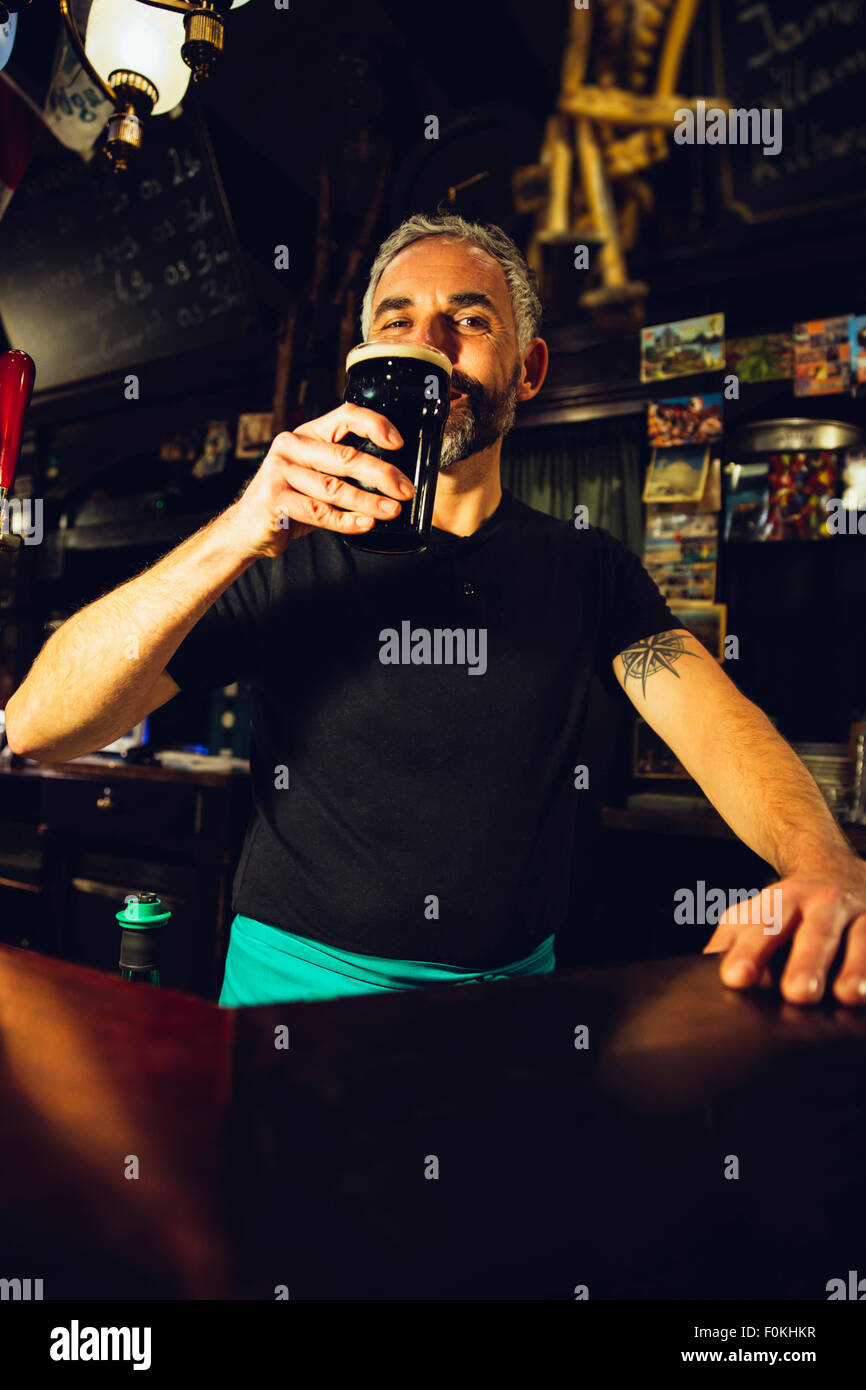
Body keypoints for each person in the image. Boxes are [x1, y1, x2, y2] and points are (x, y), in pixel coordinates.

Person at [7, 214, 866, 1007]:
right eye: (397, 321)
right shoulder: (281, 548)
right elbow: (39, 728)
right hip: (290, 997)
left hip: (508, 1008)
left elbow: (716, 723)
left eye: (471, 319)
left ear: (528, 371)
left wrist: (826, 864)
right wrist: (235, 529)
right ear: (363, 363)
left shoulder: (587, 566)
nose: (430, 347)